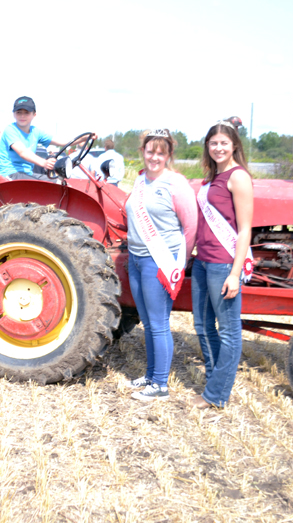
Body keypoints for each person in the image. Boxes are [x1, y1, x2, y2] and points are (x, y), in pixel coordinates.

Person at [125, 129, 197, 401]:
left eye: (161, 152)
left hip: (159, 262)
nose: (154, 157)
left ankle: (160, 385)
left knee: (158, 323)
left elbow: (190, 227)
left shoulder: (176, 184)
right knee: (148, 322)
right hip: (136, 259)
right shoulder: (140, 180)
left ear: (168, 155)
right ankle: (151, 374)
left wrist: (179, 262)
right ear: (143, 152)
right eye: (150, 151)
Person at [190, 120, 254, 409]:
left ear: (234, 146)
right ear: (208, 146)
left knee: (228, 331)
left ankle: (216, 395)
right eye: (213, 142)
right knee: (203, 326)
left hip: (222, 264)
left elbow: (244, 229)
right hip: (202, 262)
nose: (218, 147)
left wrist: (235, 272)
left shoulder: (237, 177)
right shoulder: (210, 177)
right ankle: (215, 381)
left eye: (223, 143)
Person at [0, 96, 94, 179]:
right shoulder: (10, 130)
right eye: (19, 112)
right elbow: (22, 152)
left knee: (63, 182)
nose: (22, 116)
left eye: (26, 113)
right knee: (55, 184)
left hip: (27, 174)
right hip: (10, 175)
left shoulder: (36, 131)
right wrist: (44, 163)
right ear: (14, 114)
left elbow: (63, 142)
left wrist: (85, 138)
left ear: (34, 114)